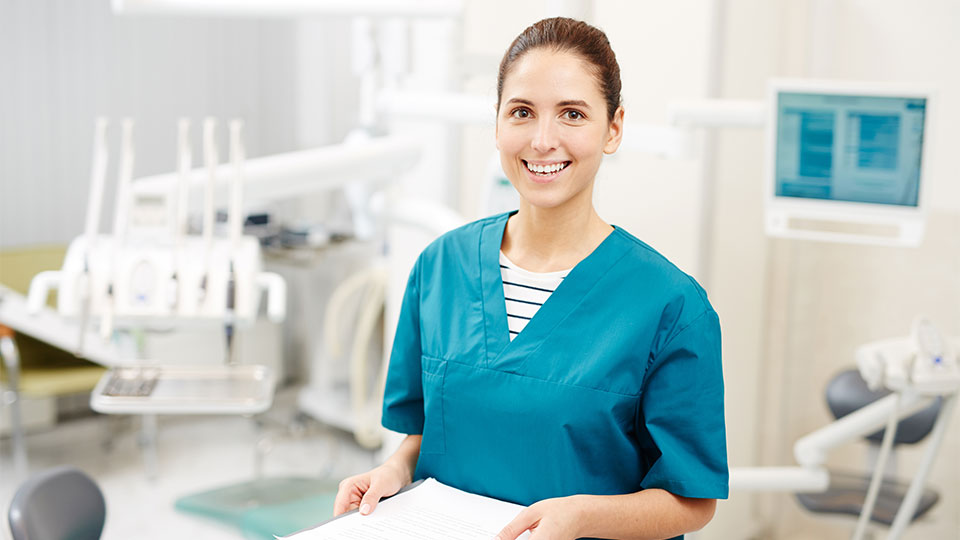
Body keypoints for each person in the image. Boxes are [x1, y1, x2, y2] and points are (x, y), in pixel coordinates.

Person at [333, 17, 727, 540]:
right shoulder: (440, 267)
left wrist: (581, 516)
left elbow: (691, 499)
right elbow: (426, 434)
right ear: (496, 124)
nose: (543, 140)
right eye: (522, 112)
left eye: (572, 114)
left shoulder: (671, 307)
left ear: (613, 128)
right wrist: (392, 472)